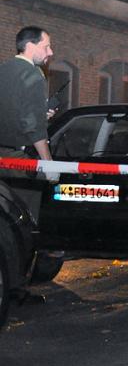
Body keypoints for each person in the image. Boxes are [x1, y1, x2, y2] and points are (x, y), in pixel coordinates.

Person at [0, 26, 57, 224]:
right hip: (19, 163)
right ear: (30, 46)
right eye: (46, 46)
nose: (50, 52)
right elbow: (34, 128)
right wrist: (48, 164)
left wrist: (41, 115)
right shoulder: (33, 75)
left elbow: (14, 111)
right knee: (26, 222)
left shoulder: (3, 70)